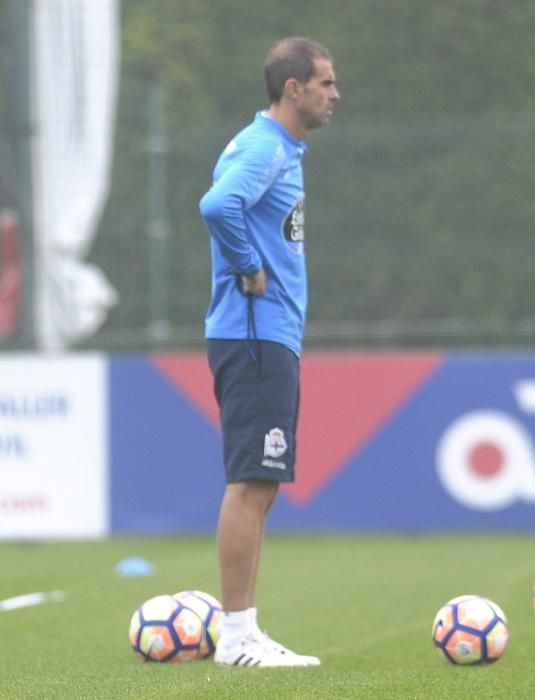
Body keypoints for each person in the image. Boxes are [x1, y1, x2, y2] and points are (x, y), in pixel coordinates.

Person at [198, 37, 339, 668]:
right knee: (251, 482)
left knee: (261, 483)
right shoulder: (263, 147)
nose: (335, 94)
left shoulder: (276, 146)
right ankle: (236, 637)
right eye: (326, 83)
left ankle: (245, 630)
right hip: (254, 332)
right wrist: (250, 266)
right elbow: (217, 205)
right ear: (293, 89)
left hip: (265, 334)